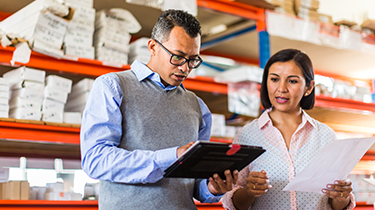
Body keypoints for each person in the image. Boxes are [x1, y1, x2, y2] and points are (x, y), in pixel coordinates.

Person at [80, 9, 238, 210]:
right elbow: (96, 160)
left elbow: (195, 185)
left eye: (193, 60)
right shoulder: (113, 86)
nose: (185, 68)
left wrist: (213, 188)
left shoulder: (197, 107)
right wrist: (171, 156)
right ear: (153, 46)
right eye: (178, 57)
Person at [222, 49, 355, 210]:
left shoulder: (326, 136)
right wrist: (249, 192)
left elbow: (336, 203)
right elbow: (233, 202)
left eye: (292, 81)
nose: (281, 88)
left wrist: (342, 196)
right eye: (274, 79)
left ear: (309, 87)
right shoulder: (247, 136)